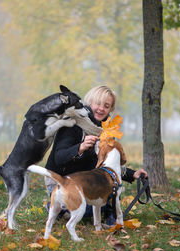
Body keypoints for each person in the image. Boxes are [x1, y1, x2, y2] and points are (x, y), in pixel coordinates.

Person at [44, 85, 147, 225]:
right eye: (97, 103)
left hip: (86, 182)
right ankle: (59, 206)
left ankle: (99, 211)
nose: (101, 109)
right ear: (89, 103)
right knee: (87, 209)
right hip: (61, 181)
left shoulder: (107, 131)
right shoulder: (73, 123)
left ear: (110, 109)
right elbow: (59, 158)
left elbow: (108, 164)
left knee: (107, 193)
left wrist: (132, 174)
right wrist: (80, 148)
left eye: (106, 105)